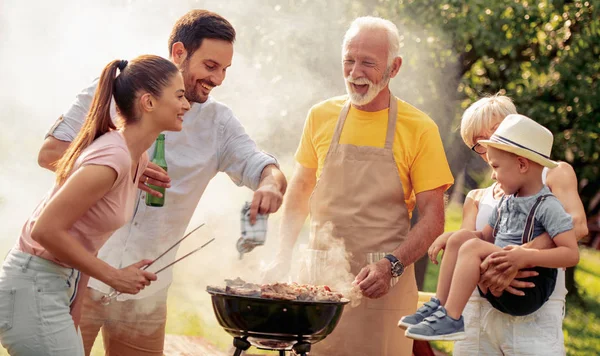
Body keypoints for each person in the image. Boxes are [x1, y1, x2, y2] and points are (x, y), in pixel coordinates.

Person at [37, 10, 287, 356]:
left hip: (146, 291)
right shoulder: (112, 92)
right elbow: (50, 152)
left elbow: (264, 166)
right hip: (80, 275)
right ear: (179, 52)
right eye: (211, 66)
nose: (218, 79)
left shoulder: (219, 123)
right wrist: (123, 171)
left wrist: (270, 185)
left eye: (225, 70)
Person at [265, 16, 453, 356]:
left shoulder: (420, 128)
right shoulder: (320, 116)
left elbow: (433, 219)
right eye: (349, 61)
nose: (355, 72)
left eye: (368, 63)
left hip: (386, 284)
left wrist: (391, 265)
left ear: (394, 68)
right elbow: (300, 190)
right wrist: (282, 253)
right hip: (319, 284)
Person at [0, 55, 189, 355]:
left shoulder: (135, 157)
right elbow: (45, 229)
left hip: (55, 285)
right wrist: (113, 276)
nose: (186, 104)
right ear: (149, 103)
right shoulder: (112, 158)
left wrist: (74, 308)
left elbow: (88, 238)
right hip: (32, 286)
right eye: (179, 96)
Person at [401, 114, 579, 341]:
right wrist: (453, 237)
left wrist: (525, 256)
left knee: (472, 246)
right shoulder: (506, 200)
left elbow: (571, 254)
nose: (492, 174)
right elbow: (486, 236)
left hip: (528, 285)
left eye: (496, 167)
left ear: (522, 164)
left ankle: (452, 319)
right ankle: (440, 305)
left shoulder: (548, 205)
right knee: (461, 238)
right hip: (498, 281)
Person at [439, 95, 587, 355]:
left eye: (495, 131)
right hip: (480, 307)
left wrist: (520, 257)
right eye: (479, 143)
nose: (489, 145)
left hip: (533, 308)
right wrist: (453, 240)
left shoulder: (551, 173)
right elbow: (473, 246)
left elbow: (577, 225)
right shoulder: (477, 197)